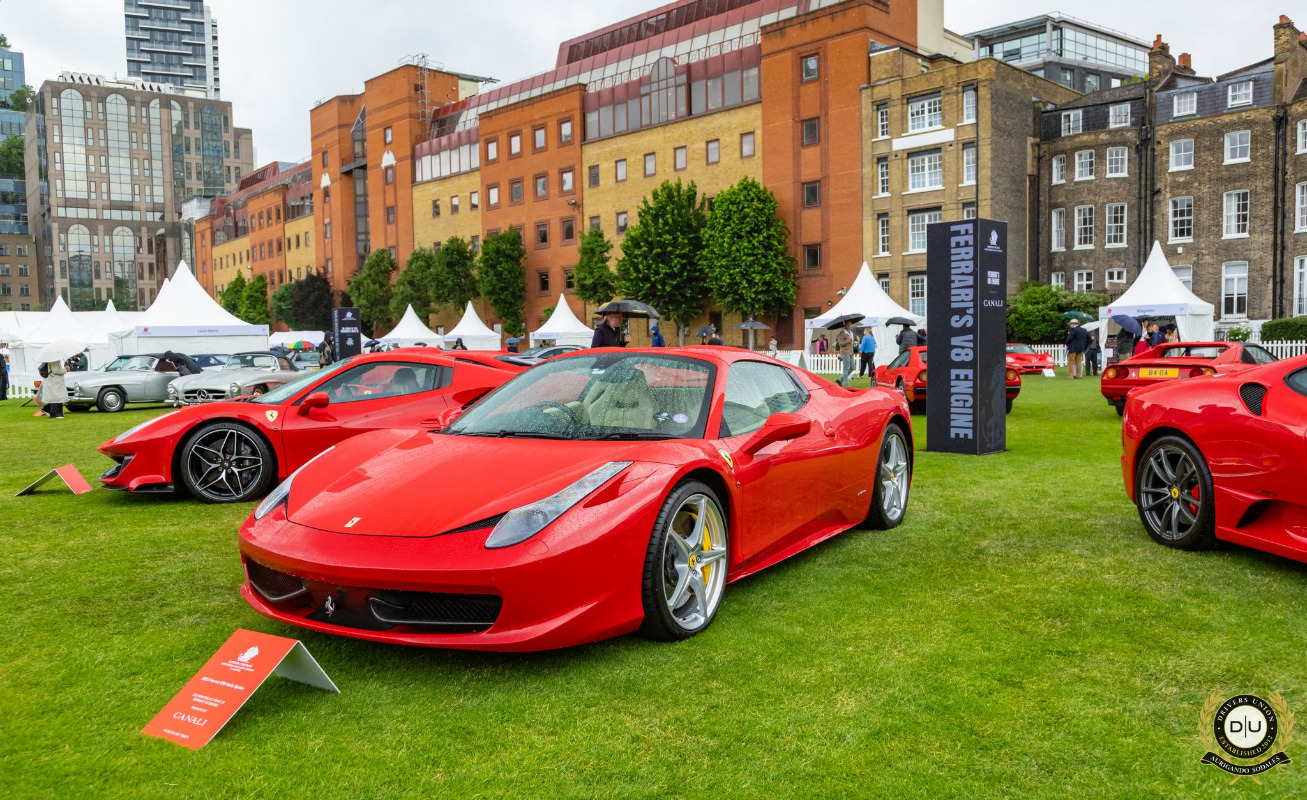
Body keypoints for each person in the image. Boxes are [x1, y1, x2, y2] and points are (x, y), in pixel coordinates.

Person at [835, 319, 857, 387]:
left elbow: (852, 342)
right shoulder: (842, 333)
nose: (850, 326)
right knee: (846, 368)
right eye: (849, 324)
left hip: (851, 352)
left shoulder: (851, 332)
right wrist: (848, 340)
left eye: (851, 324)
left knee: (853, 367)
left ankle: (840, 379)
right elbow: (841, 344)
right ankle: (847, 384)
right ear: (846, 325)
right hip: (844, 352)